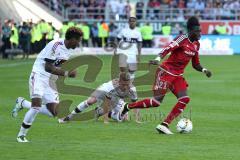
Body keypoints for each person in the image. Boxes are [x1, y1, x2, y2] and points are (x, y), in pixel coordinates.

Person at [120, 16, 212, 135]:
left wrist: (204, 70)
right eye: (198, 31)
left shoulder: (196, 44)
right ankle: (128, 106)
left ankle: (164, 125)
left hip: (178, 76)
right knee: (156, 102)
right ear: (191, 31)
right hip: (166, 72)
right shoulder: (181, 39)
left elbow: (195, 64)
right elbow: (167, 49)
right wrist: (158, 59)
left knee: (184, 99)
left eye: (200, 31)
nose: (200, 33)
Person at [12, 27, 83, 142]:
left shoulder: (69, 49)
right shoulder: (55, 45)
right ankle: (21, 135)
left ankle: (23, 103)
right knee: (36, 106)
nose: (79, 43)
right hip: (39, 75)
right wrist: (67, 73)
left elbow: (60, 62)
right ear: (72, 39)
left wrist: (70, 67)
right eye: (78, 40)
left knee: (54, 112)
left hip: (51, 80)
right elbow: (48, 67)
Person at [58, 73, 138, 123]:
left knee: (123, 119)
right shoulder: (110, 87)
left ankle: (100, 111)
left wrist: (137, 118)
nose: (125, 87)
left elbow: (135, 104)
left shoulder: (132, 89)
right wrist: (105, 120)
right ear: (119, 82)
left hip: (116, 98)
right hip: (104, 90)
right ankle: (69, 116)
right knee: (91, 101)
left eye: (127, 84)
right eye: (123, 84)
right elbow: (107, 103)